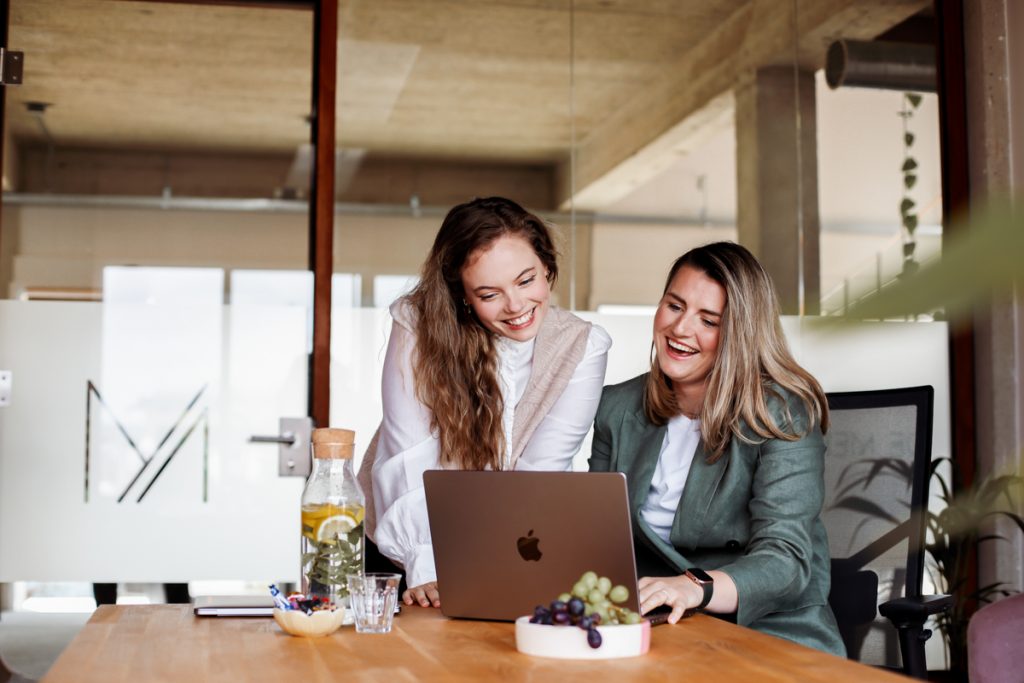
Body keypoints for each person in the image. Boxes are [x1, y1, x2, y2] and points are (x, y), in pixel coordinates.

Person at [589, 241, 845, 656]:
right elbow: (594, 536)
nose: (681, 329)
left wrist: (694, 588)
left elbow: (786, 562)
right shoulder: (616, 407)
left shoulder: (780, 415)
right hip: (655, 628)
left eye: (709, 320)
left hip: (766, 630)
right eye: (674, 306)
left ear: (740, 335)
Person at [359, 196, 612, 609]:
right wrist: (426, 564)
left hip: (501, 551)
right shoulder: (418, 325)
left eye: (527, 280)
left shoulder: (583, 346)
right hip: (401, 548)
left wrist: (501, 565)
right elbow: (408, 454)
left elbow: (541, 474)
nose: (516, 306)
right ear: (463, 295)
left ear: (547, 267)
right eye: (489, 293)